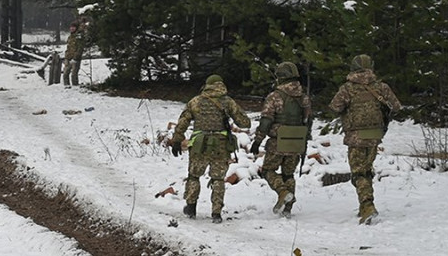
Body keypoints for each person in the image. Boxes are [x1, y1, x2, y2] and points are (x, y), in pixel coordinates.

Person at [328, 54, 401, 225]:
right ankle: (364, 206)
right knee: (366, 171)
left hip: (356, 136)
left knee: (358, 173)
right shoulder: (382, 87)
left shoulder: (347, 89)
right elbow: (396, 106)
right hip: (375, 135)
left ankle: (368, 205)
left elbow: (335, 107)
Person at [170, 74, 251, 223]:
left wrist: (176, 140)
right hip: (221, 145)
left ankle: (191, 207)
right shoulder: (228, 102)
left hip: (199, 145)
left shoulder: (196, 101)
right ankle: (216, 213)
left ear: (207, 85)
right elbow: (245, 123)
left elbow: (183, 122)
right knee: (218, 179)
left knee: (194, 176)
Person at [250, 62, 313, 219]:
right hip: (297, 141)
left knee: (268, 170)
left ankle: (283, 192)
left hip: (278, 141)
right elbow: (308, 119)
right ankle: (288, 208)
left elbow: (266, 121)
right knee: (288, 174)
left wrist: (257, 140)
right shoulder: (304, 97)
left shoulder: (275, 97)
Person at [62, 21, 86, 87]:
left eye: (73, 27)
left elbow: (80, 48)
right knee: (65, 73)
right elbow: (68, 47)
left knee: (74, 74)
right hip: (68, 57)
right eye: (71, 27)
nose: (72, 28)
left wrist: (75, 58)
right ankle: (66, 85)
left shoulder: (79, 37)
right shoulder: (70, 37)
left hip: (76, 58)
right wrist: (66, 56)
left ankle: (75, 86)